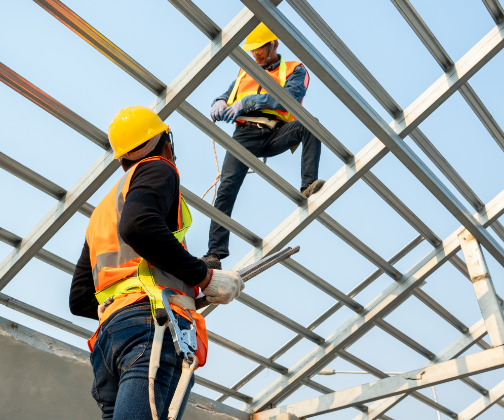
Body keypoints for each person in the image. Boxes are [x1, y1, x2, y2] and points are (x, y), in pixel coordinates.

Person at [69, 106, 245, 419]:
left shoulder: (102, 212)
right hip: (149, 328)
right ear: (165, 142)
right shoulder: (158, 168)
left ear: (122, 158)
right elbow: (138, 226)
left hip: (110, 341)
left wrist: (178, 293)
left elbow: (80, 298)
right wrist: (204, 277)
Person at [203, 23, 324, 270]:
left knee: (312, 124)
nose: (255, 54)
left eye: (259, 49)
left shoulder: (294, 70)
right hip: (244, 135)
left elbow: (289, 98)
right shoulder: (245, 71)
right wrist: (219, 101)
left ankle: (308, 184)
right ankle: (214, 254)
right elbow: (228, 94)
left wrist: (248, 102)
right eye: (253, 50)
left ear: (274, 45)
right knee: (226, 189)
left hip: (274, 133)